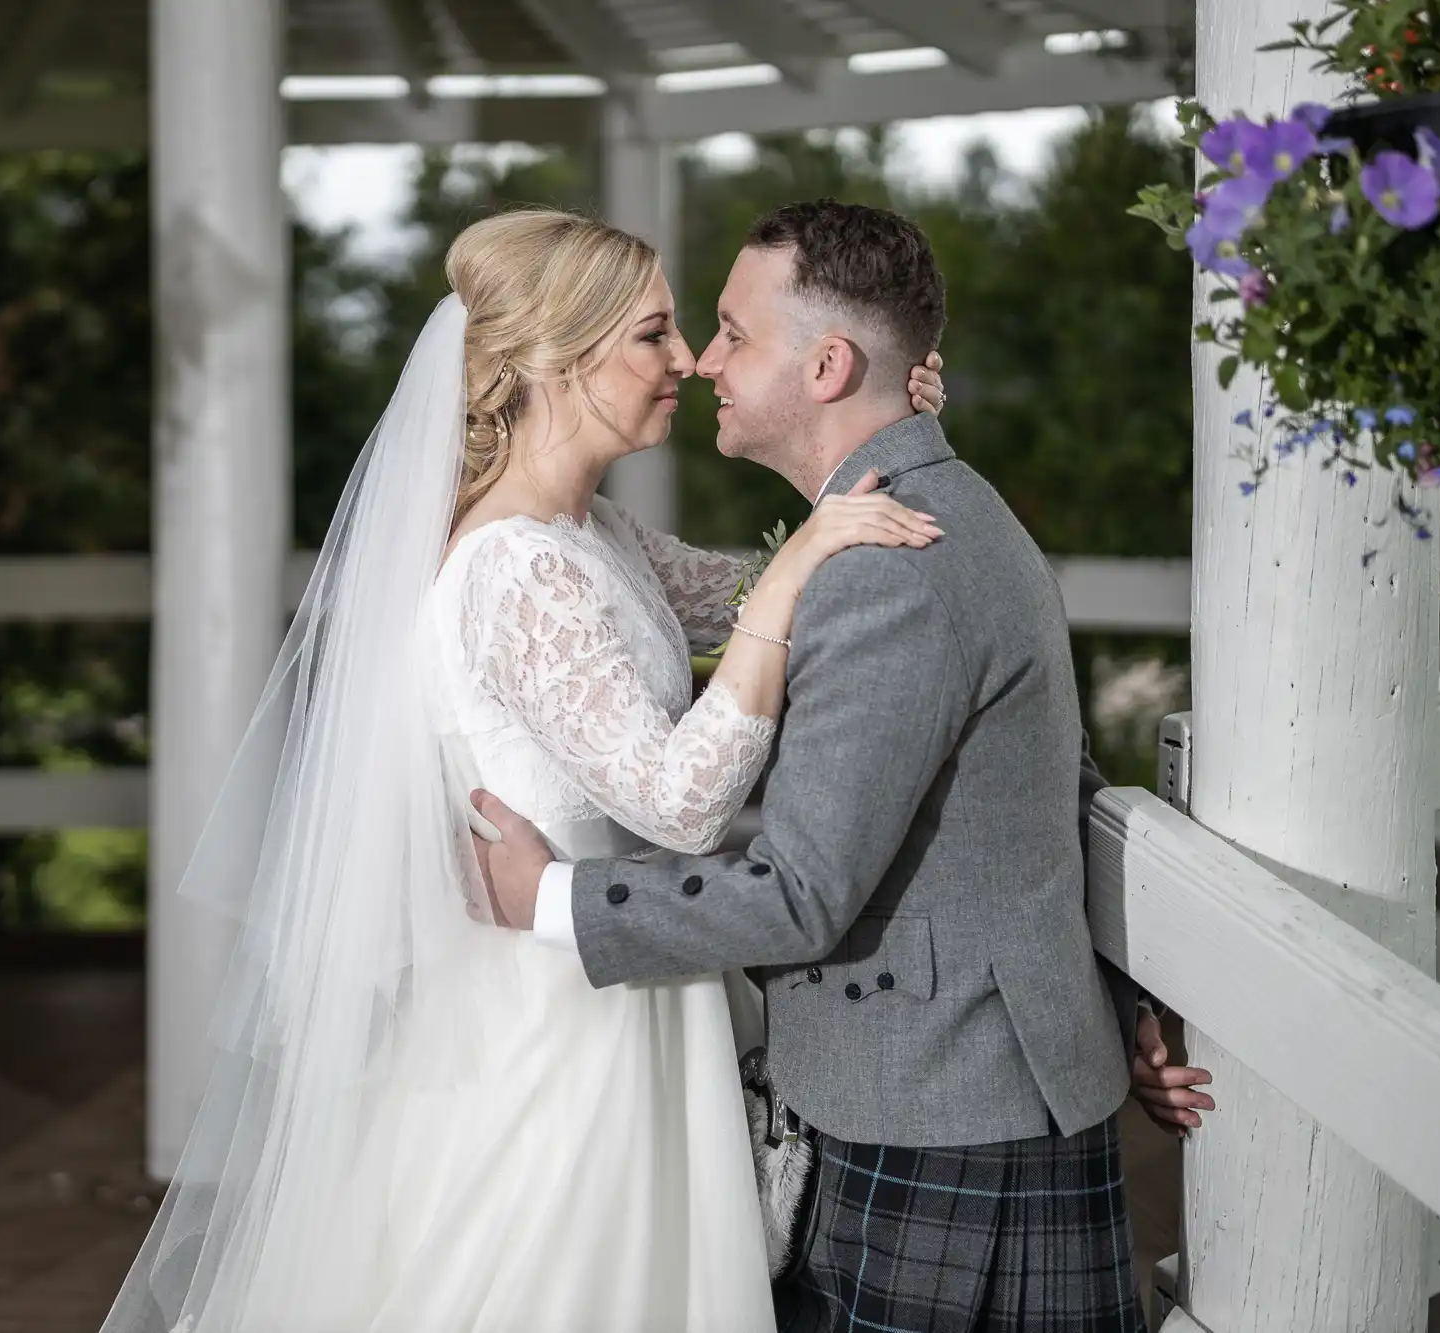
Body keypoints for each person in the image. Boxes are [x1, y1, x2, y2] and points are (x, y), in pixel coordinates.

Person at [98, 207, 949, 1332]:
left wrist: (870, 437)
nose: (688, 360)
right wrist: (792, 575)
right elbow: (682, 801)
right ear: (558, 359)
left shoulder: (590, 533)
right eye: (653, 334)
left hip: (619, 981)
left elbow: (758, 594)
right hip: (552, 1020)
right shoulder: (513, 568)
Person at [473, 200, 1152, 1332]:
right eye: (681, 334)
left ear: (828, 365)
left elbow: (799, 891)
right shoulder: (914, 515)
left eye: (732, 332)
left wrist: (544, 896)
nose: (703, 363)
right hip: (937, 1086)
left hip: (937, 1104)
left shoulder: (891, 564)